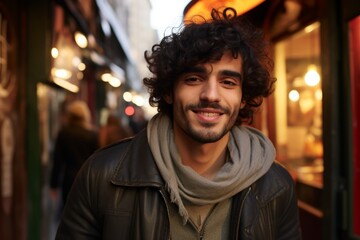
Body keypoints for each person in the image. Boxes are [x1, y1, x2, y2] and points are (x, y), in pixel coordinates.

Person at [55, 7, 301, 239]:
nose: (211, 95)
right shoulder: (103, 176)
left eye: (228, 82)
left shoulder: (275, 187)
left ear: (244, 97)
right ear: (170, 91)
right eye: (194, 78)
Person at [50, 100, 99, 209]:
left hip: (69, 179)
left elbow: (57, 161)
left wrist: (54, 185)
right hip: (88, 180)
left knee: (68, 211)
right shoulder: (92, 134)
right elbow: (98, 161)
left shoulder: (64, 134)